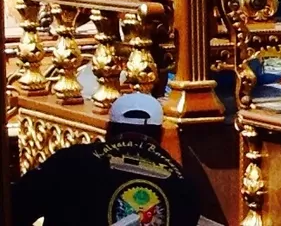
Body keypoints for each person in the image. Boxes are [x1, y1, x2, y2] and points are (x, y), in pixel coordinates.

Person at [11, 92, 201, 226]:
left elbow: (16, 208)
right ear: (160, 134)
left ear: (109, 129)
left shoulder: (70, 162)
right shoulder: (184, 183)